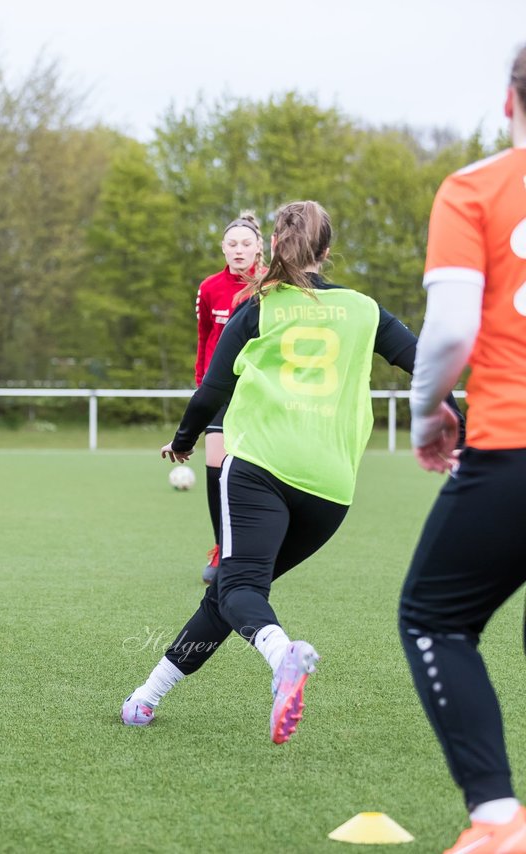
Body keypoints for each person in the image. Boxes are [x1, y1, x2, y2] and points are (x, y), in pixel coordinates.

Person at [119, 200, 460, 744]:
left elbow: (212, 388)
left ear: (272, 247)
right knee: (233, 592)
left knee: (239, 589)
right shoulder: (364, 308)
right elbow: (426, 364)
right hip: (329, 488)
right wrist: (457, 426)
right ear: (325, 252)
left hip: (259, 467)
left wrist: (184, 441)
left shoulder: (258, 304)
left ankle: (284, 657)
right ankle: (145, 698)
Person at [399, 45, 526, 854]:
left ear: (511, 100)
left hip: (514, 441)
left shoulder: (478, 189)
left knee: (435, 618)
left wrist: (427, 416)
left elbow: (449, 330)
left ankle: (498, 821)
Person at [194, 211, 265, 584]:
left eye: (246, 244)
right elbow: (204, 335)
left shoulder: (273, 287)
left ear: (259, 248)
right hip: (220, 389)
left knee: (260, 467)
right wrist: (201, 384)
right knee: (215, 465)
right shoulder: (209, 288)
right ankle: (223, 548)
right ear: (223, 248)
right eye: (232, 244)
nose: (239, 250)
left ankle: (258, 544)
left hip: (261, 389)